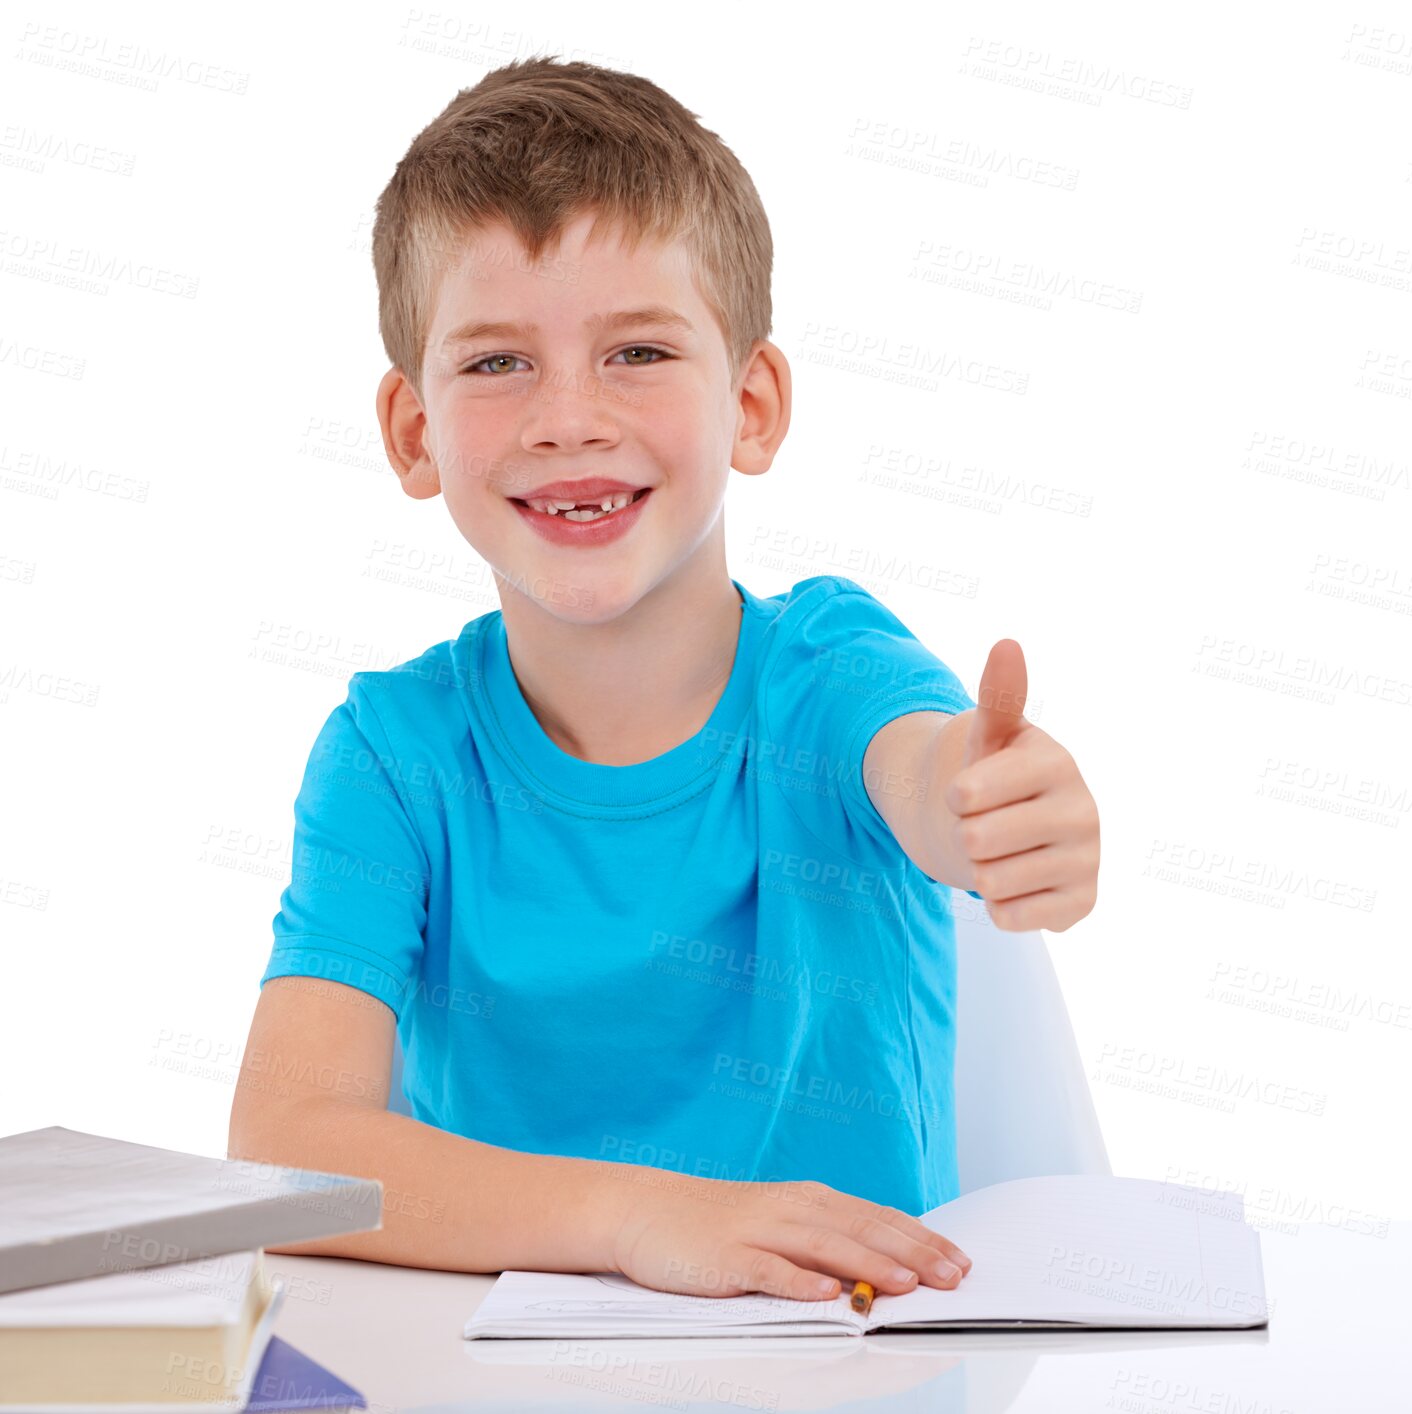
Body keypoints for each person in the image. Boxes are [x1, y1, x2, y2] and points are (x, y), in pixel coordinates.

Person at [228, 56, 1100, 1304]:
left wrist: (989, 808)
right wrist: (643, 1218)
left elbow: (921, 769)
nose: (568, 417)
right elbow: (284, 1150)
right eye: (495, 364)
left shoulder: (830, 667)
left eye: (636, 350)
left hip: (849, 1377)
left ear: (751, 404)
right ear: (414, 432)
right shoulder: (390, 754)